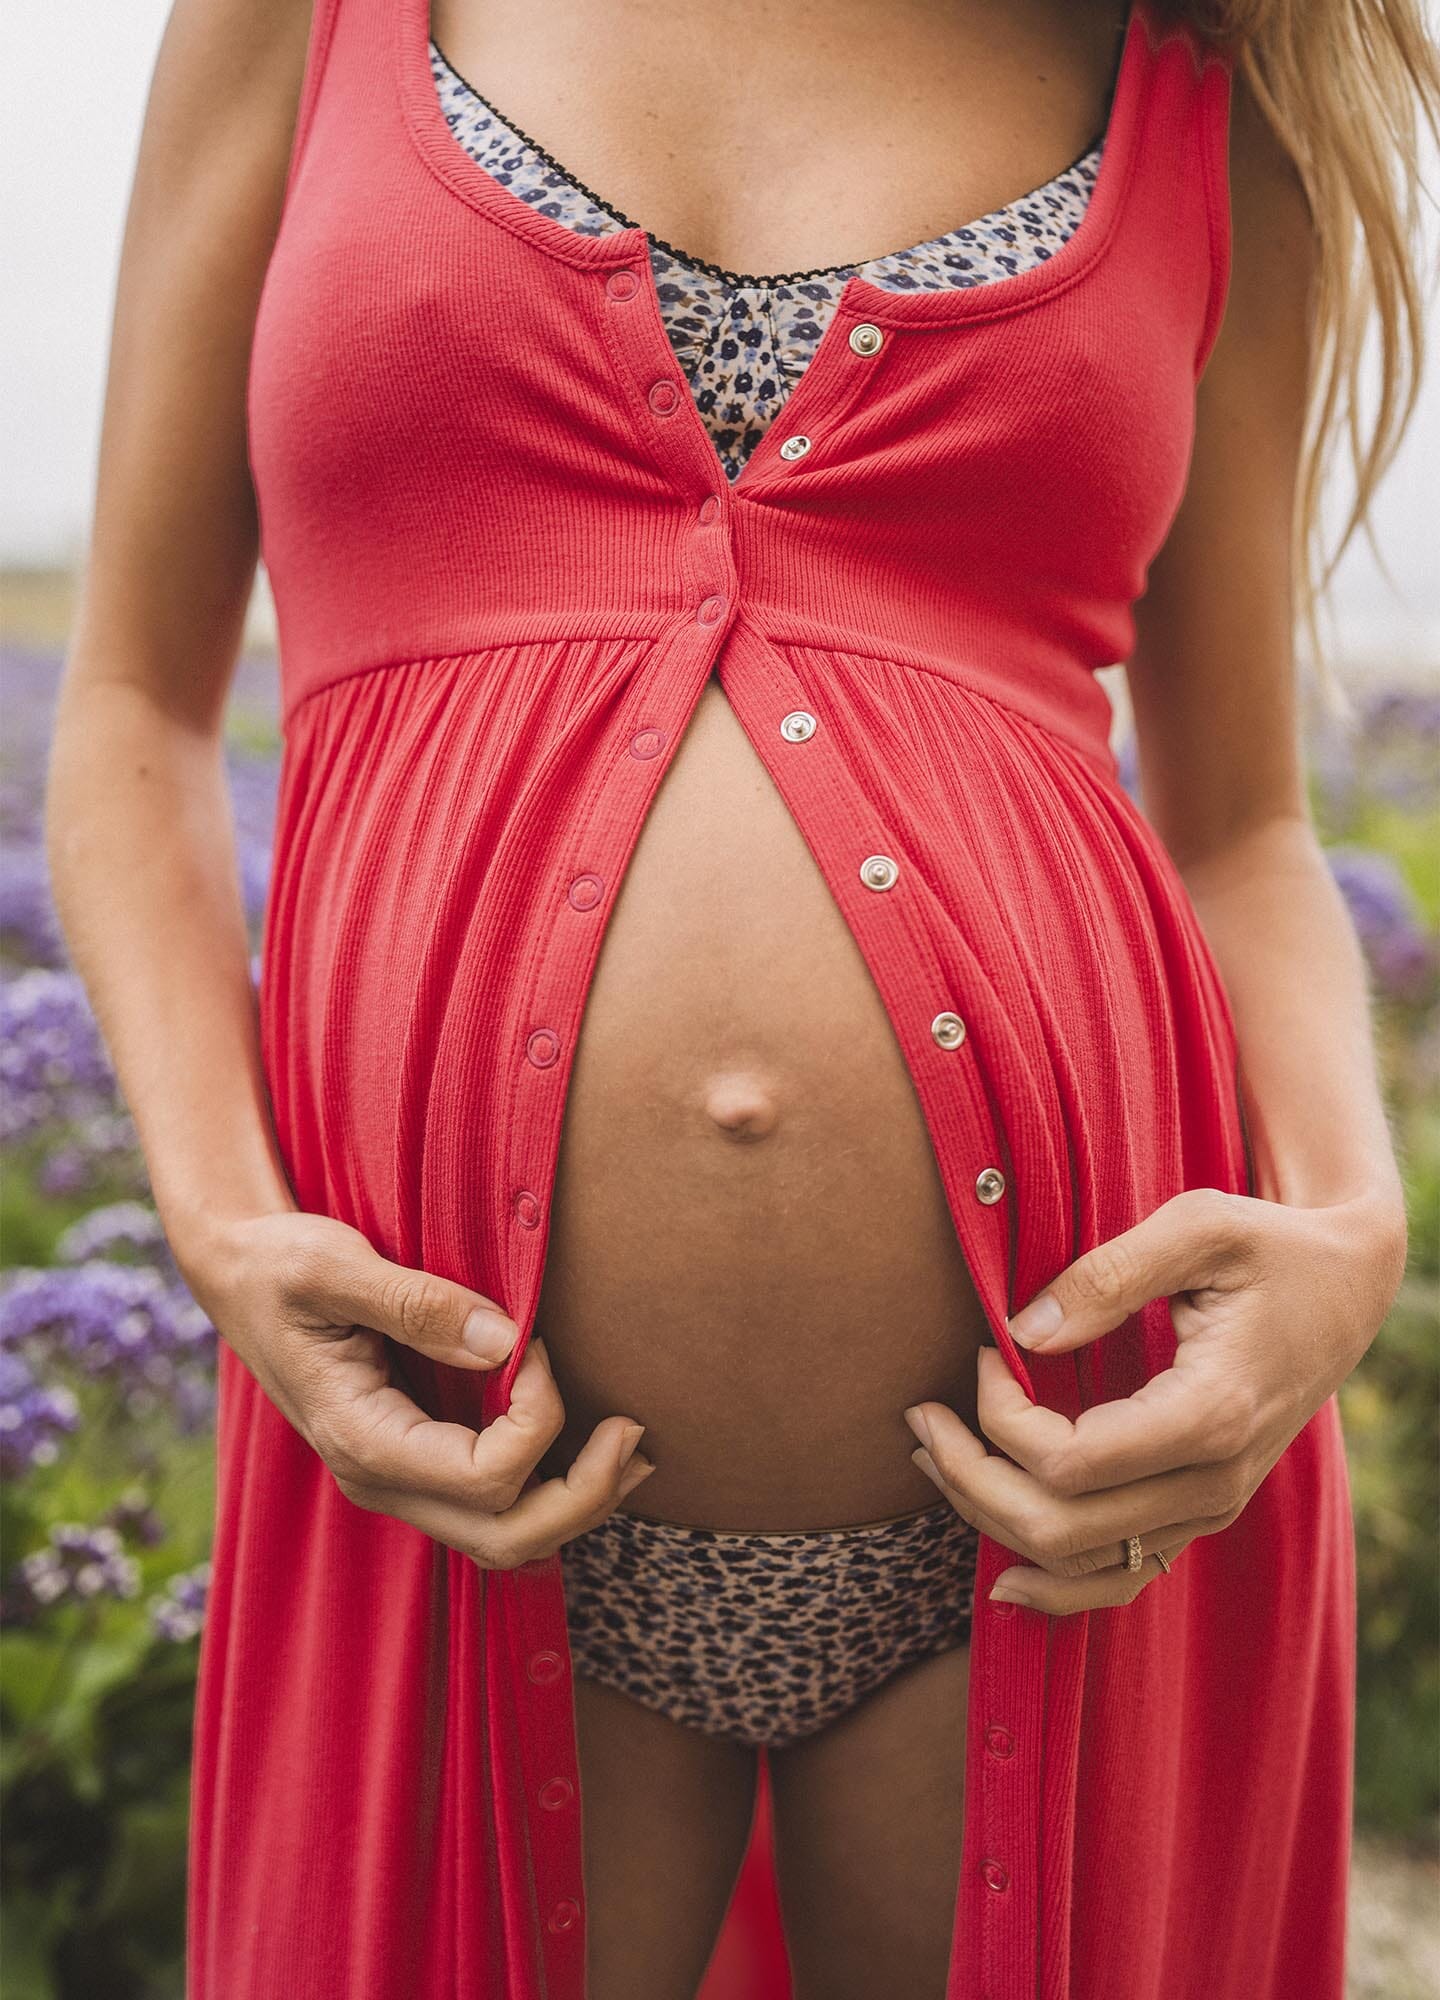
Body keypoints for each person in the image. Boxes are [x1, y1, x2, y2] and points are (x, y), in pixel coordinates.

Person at [43, 1, 1435, 1996]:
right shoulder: (312, 17)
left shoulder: (1198, 88)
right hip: (447, 1456)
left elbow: (1240, 829)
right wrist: (220, 1220)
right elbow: (125, 711)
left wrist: (1351, 1235)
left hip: (1063, 1478)